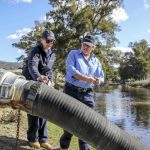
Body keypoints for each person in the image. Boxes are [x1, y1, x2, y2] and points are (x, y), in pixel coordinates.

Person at [59, 35, 104, 150]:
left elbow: (101, 77)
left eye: (88, 46)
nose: (85, 47)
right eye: (84, 44)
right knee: (68, 119)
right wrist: (86, 79)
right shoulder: (73, 54)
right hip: (71, 90)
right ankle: (64, 145)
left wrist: (99, 81)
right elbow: (71, 71)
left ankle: (84, 147)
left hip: (87, 93)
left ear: (93, 47)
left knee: (87, 121)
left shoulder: (96, 60)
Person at [22, 29, 56, 149]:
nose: (50, 42)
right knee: (33, 112)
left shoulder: (52, 53)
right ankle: (33, 139)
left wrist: (50, 80)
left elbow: (49, 70)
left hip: (45, 85)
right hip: (32, 82)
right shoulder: (35, 51)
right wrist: (39, 77)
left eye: (52, 41)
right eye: (47, 40)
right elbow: (32, 66)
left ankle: (43, 139)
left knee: (44, 111)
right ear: (41, 40)